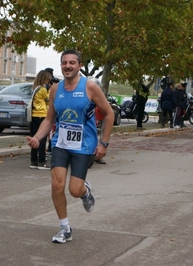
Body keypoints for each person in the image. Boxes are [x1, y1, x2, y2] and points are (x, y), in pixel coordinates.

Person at [27, 49, 114, 244]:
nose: (67, 66)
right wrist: (38, 138)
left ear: (79, 66)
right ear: (61, 66)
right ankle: (65, 228)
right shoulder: (55, 89)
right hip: (61, 143)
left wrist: (104, 143)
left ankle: (85, 191)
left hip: (84, 145)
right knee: (57, 184)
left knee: (74, 190)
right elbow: (49, 119)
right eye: (64, 62)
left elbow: (109, 113)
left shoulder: (90, 87)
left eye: (72, 63)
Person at [29, 70, 51, 170]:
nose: (49, 80)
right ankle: (42, 161)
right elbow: (49, 101)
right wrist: (51, 90)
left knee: (34, 138)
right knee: (41, 139)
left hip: (33, 115)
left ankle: (33, 160)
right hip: (42, 115)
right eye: (48, 78)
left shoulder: (35, 88)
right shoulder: (42, 89)